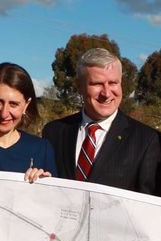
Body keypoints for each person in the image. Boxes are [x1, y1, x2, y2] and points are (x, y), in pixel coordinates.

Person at [42, 48, 161, 195]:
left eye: (113, 83)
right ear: (79, 86)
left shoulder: (147, 140)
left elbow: (149, 205)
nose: (106, 93)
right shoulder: (54, 132)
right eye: (97, 84)